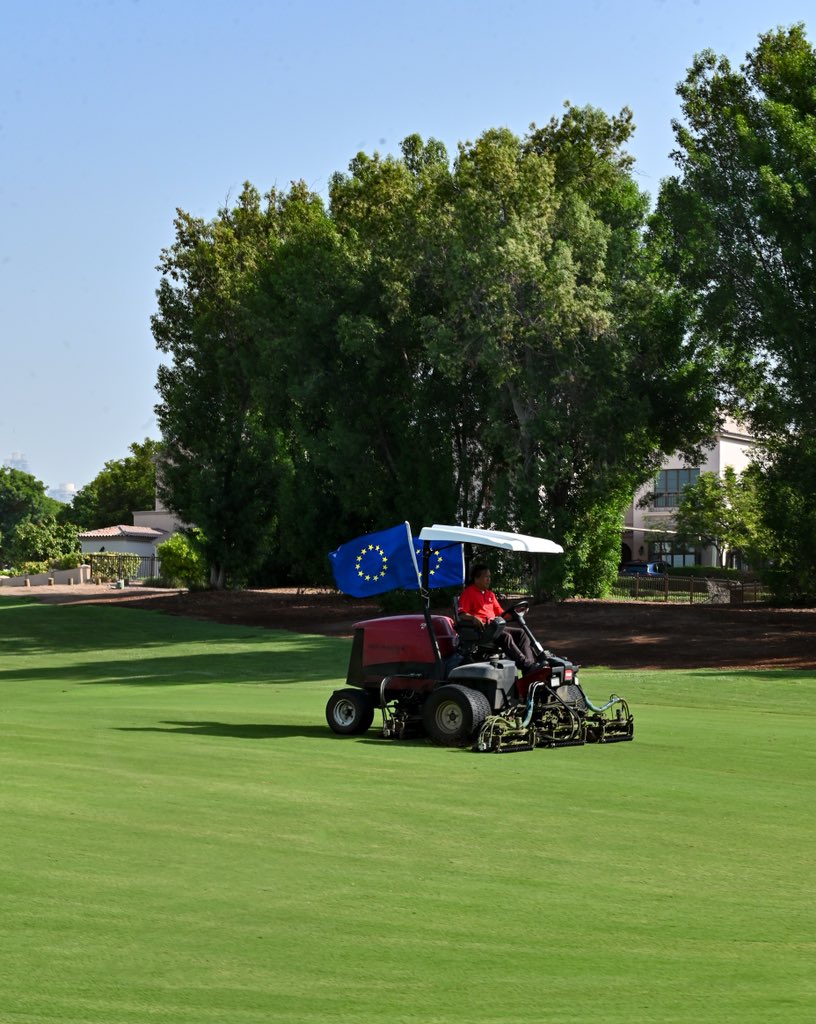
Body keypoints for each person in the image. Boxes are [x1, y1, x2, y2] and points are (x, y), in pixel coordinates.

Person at [457, 564, 536, 673]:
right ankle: (526, 665)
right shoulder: (468, 593)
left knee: (522, 633)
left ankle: (530, 666)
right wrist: (473, 618)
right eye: (486, 577)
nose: (489, 579)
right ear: (476, 578)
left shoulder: (490, 595)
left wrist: (518, 612)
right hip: (481, 631)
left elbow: (502, 614)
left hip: (496, 628)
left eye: (490, 576)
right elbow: (461, 614)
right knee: (506, 637)